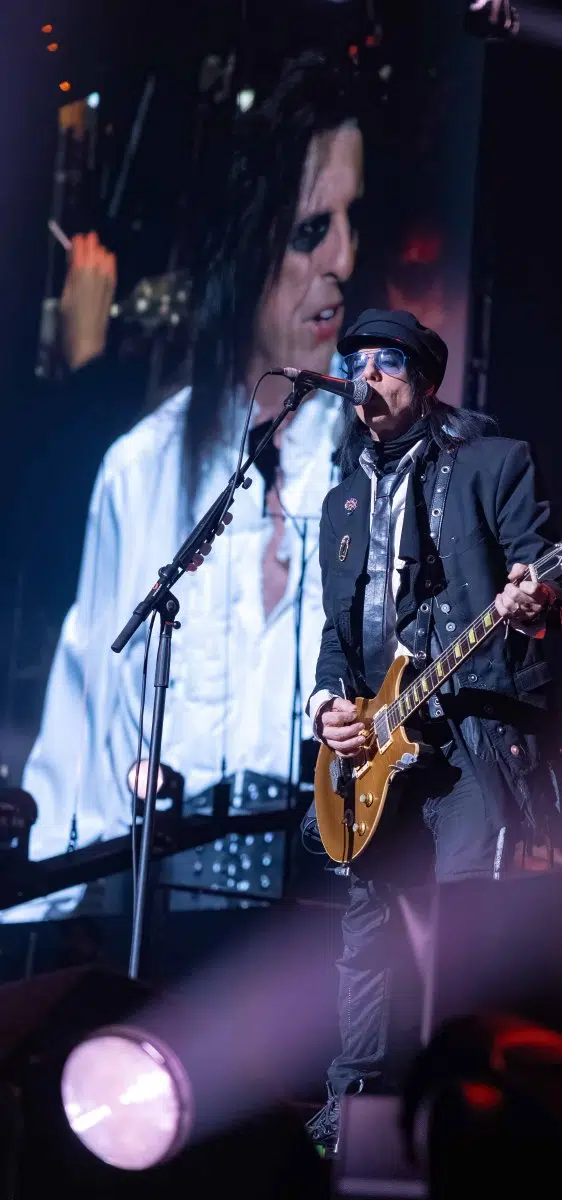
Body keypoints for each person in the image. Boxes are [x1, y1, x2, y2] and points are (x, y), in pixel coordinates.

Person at [5, 50, 363, 922]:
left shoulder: (389, 466)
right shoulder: (142, 473)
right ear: (238, 248)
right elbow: (79, 755)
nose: (344, 259)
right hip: (168, 953)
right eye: (310, 231)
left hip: (342, 946)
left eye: (353, 221)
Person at [304, 307, 562, 1153]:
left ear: (424, 382)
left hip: (470, 732)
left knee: (463, 923)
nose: (366, 376)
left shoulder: (493, 463)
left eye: (386, 362)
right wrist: (328, 707)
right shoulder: (342, 500)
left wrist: (535, 595)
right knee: (367, 935)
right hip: (377, 746)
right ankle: (349, 1106)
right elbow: (336, 637)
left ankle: (467, 1109)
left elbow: (539, 571)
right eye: (356, 362)